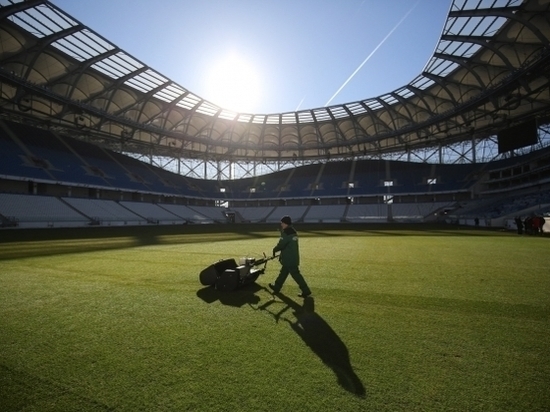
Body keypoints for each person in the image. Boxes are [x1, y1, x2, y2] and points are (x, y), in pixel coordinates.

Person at [269, 215, 312, 298]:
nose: (281, 224)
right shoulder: (293, 231)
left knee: (296, 275)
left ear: (285, 223)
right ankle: (276, 287)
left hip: (289, 259)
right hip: (292, 257)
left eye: (282, 223)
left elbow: (281, 244)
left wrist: (275, 249)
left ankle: (306, 290)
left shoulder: (286, 233)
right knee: (283, 273)